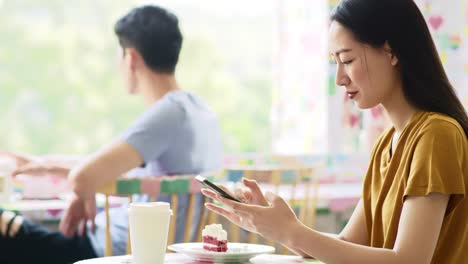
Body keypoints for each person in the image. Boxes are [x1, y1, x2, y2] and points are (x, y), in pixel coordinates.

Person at [202, 0, 468, 263]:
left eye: (347, 59)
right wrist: (272, 224)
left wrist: (291, 231)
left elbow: (409, 260)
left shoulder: (437, 135)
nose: (340, 78)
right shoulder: (388, 142)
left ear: (392, 51)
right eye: (335, 62)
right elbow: (347, 246)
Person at [0, 5, 223, 264]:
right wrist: (49, 166)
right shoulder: (199, 111)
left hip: (112, 251)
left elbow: (83, 177)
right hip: (146, 248)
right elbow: (129, 175)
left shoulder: (168, 113)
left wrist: (83, 188)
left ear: (131, 58)